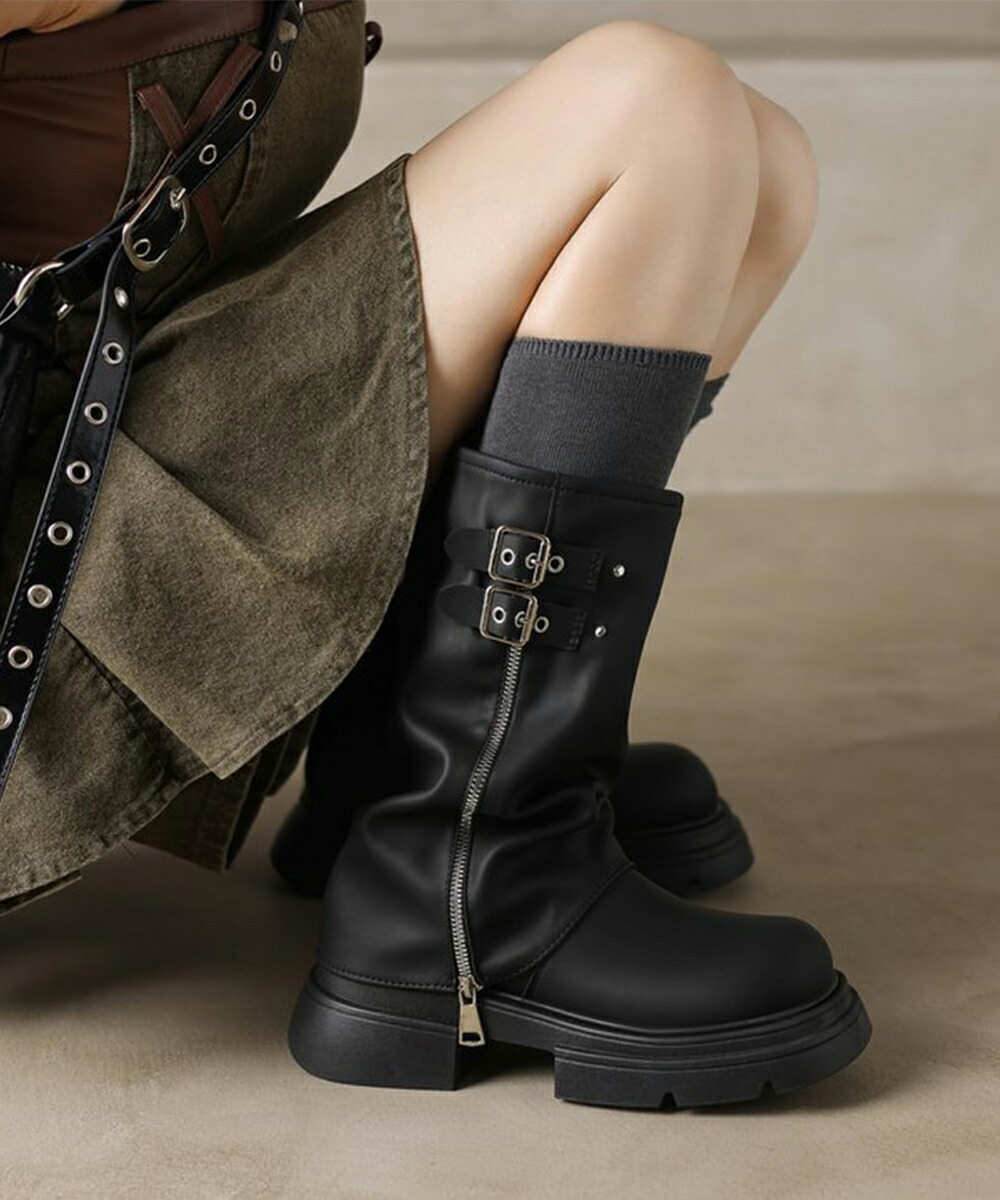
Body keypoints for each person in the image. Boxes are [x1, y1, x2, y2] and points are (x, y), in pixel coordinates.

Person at [0, 0, 870, 1105]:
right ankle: (469, 893)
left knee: (758, 161)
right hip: (44, 588)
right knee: (652, 104)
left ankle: (407, 762)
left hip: (108, 432)